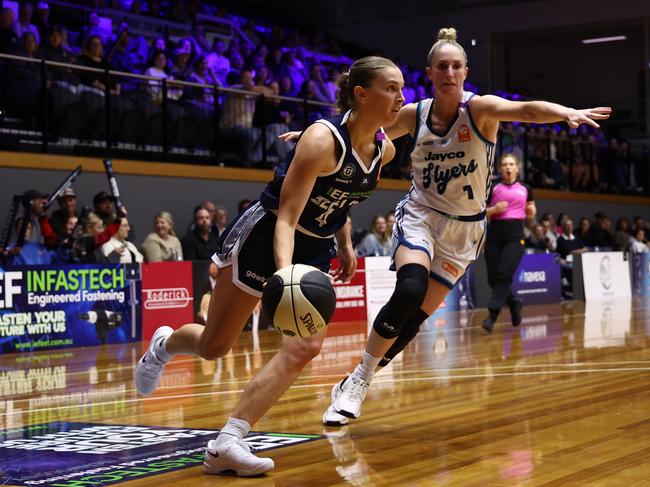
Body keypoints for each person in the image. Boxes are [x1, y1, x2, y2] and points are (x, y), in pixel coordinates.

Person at [318, 27, 610, 427]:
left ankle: (356, 377)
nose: (450, 72)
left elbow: (526, 111)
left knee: (414, 319)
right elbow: (361, 128)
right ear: (430, 72)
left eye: (456, 66)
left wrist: (565, 113)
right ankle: (360, 382)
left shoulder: (481, 110)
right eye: (442, 66)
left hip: (466, 231)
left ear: (465, 71)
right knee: (409, 290)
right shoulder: (413, 114)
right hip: (421, 215)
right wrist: (318, 136)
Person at [134, 55, 404, 476]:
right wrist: (285, 274)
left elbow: (343, 197)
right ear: (361, 93)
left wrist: (346, 244)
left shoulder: (384, 148)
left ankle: (228, 440)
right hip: (266, 238)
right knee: (215, 347)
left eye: (402, 88)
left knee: (305, 347)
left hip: (316, 246)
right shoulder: (321, 140)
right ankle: (164, 345)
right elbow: (287, 218)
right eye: (391, 88)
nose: (400, 97)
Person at [482, 153, 536, 332]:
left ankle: (492, 314)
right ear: (500, 169)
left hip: (515, 235)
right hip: (495, 234)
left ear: (517, 168)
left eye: (511, 164)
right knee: (492, 278)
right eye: (504, 164)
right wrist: (494, 209)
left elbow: (530, 212)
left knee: (504, 274)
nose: (507, 167)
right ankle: (514, 303)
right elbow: (481, 212)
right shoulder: (494, 187)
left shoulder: (526, 188)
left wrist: (532, 213)